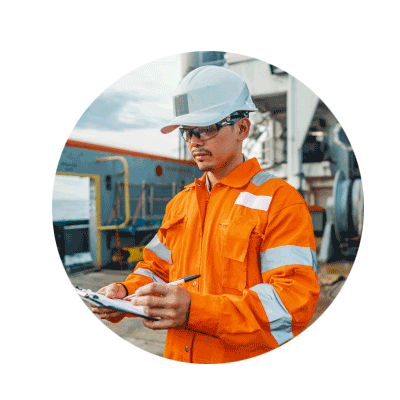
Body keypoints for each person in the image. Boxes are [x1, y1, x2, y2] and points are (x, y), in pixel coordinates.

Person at [91, 65, 320, 364]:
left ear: (242, 128)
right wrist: (125, 292)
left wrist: (195, 311)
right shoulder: (180, 204)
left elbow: (293, 304)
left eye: (206, 128)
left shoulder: (279, 201)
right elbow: (156, 269)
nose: (194, 141)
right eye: (188, 132)